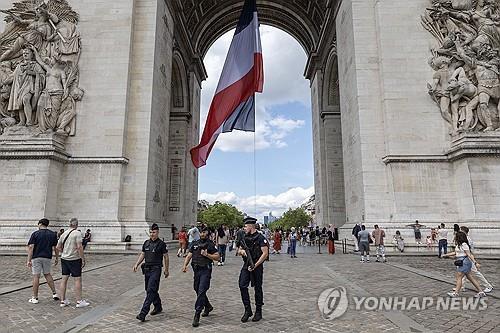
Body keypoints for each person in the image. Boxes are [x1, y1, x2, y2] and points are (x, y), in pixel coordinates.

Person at [182, 226, 219, 327]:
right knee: (197, 289)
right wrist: (185, 265)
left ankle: (197, 313)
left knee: (202, 290)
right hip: (196, 270)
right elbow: (189, 255)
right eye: (201, 232)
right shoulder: (195, 243)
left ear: (207, 233)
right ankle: (208, 306)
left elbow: (217, 257)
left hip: (205, 270)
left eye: (204, 232)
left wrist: (207, 255)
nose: (202, 234)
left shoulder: (210, 244)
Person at [133, 223, 169, 322]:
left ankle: (143, 313)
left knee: (151, 289)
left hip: (156, 269)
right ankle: (158, 306)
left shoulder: (161, 244)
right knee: (149, 290)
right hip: (147, 269)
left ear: (157, 232)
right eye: (150, 232)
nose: (152, 234)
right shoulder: (146, 243)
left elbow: (166, 257)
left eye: (154, 232)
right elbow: (143, 254)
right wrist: (137, 264)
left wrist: (166, 269)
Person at [237, 216, 269, 323]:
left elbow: (265, 253)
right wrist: (242, 252)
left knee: (258, 288)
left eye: (245, 226)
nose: (244, 228)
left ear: (251, 226)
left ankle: (258, 311)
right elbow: (239, 250)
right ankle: (247, 309)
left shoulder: (260, 238)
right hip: (247, 265)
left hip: (257, 266)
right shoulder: (244, 238)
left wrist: (256, 264)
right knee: (242, 285)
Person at [56, 218, 89, 308]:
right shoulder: (77, 233)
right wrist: (83, 258)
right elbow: (79, 247)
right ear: (76, 225)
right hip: (74, 259)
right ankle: (79, 301)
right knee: (77, 280)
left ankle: (63, 301)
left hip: (64, 259)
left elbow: (58, 247)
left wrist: (65, 252)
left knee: (64, 279)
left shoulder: (64, 233)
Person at [442, 231, 486, 298]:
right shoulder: (459, 245)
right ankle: (481, 292)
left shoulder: (464, 244)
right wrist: (446, 255)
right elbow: (455, 253)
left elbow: (469, 254)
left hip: (464, 263)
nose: (455, 237)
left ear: (459, 237)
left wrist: (475, 262)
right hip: (462, 261)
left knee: (459, 277)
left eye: (456, 236)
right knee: (470, 278)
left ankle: (456, 293)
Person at [27, 218, 59, 304]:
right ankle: (54, 293)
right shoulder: (52, 234)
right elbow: (55, 247)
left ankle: (35, 297)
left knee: (36, 276)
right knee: (47, 274)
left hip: (36, 257)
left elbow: (31, 247)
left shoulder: (35, 234)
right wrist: (56, 257)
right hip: (47, 257)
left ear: (40, 224)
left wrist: (28, 260)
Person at [459, 226, 493, 293]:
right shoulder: (465, 239)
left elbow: (469, 251)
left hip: (468, 259)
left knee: (475, 273)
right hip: (466, 258)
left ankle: (488, 286)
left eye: (460, 231)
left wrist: (473, 261)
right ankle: (461, 286)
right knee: (464, 272)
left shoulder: (467, 239)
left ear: (463, 232)